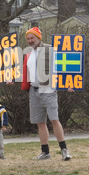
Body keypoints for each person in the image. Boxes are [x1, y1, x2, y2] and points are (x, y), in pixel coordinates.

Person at [22, 27, 72, 161]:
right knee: (40, 122)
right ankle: (45, 152)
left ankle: (64, 150)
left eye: (32, 38)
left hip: (49, 90)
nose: (30, 41)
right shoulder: (28, 54)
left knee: (54, 120)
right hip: (34, 90)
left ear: (39, 37)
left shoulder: (50, 49)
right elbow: (25, 72)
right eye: (28, 39)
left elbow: (63, 65)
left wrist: (69, 83)